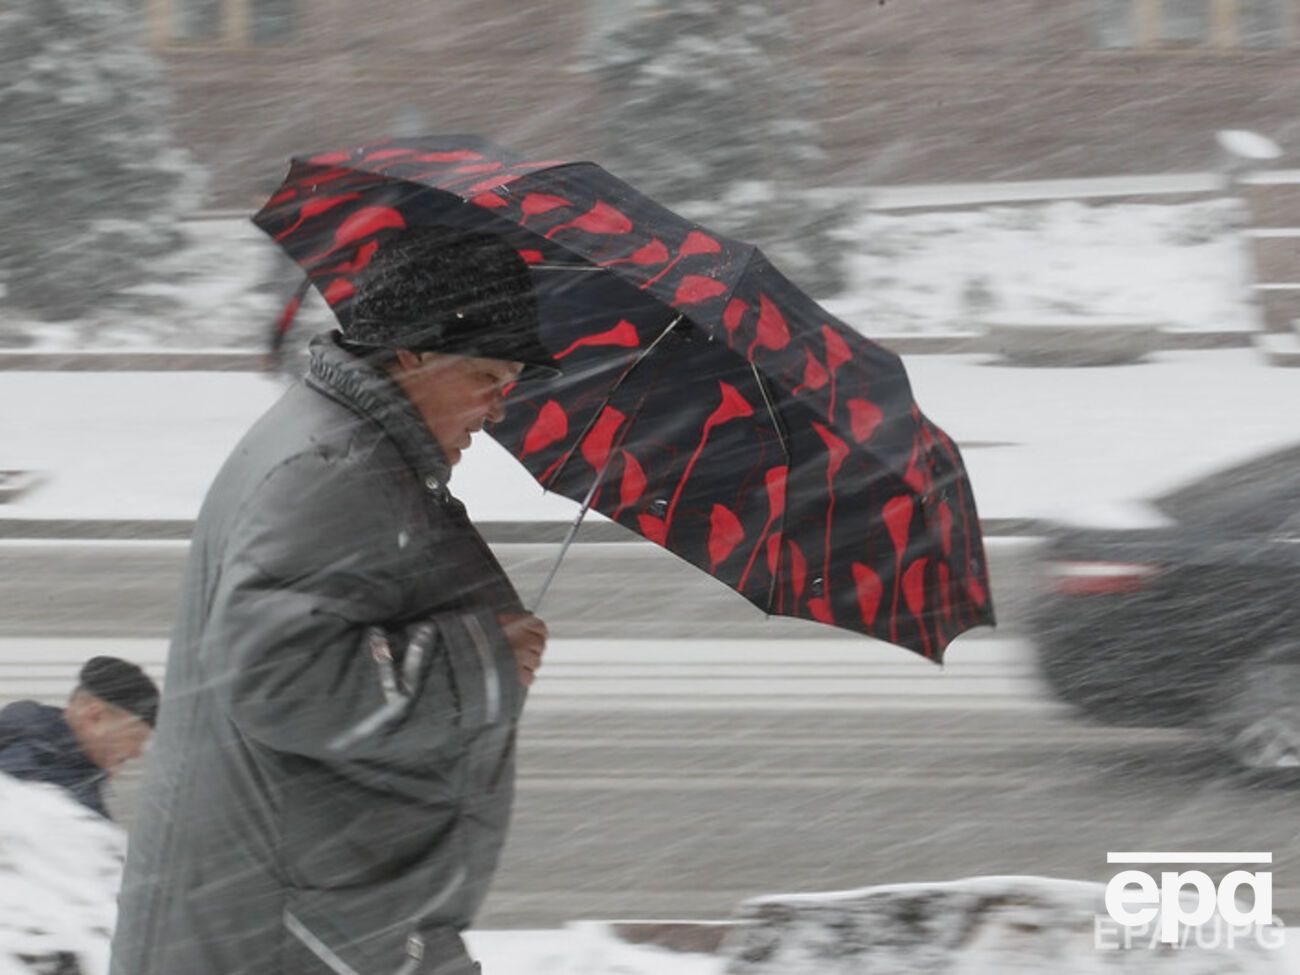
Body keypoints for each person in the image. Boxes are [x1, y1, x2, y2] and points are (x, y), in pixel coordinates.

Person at [110, 225, 559, 975]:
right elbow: (278, 678)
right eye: (489, 376)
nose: (499, 408)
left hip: (294, 917)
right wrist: (482, 661)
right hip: (285, 935)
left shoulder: (348, 445)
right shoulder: (336, 467)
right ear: (413, 352)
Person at [0, 655, 158, 818]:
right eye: (134, 737)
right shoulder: (28, 769)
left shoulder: (66, 770)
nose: (137, 753)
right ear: (95, 717)